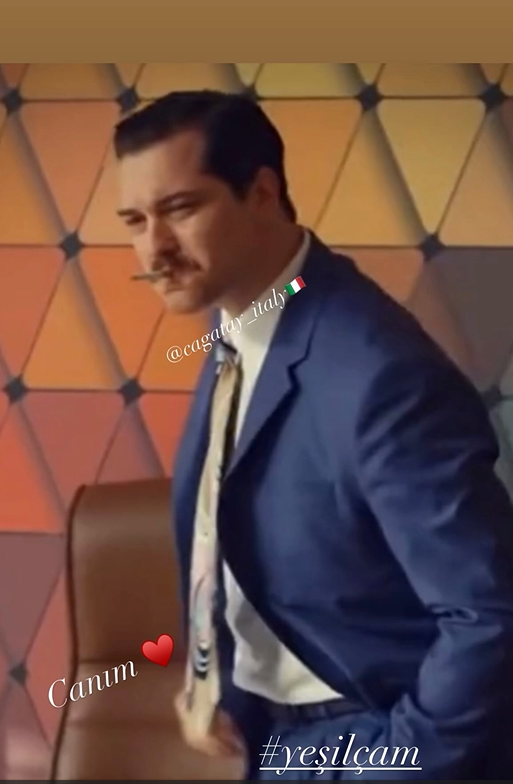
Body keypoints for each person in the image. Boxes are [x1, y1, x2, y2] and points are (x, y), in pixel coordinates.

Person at [113, 89, 513, 780]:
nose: (156, 249)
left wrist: (393, 767)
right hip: (274, 738)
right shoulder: (247, 316)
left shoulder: (377, 373)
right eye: (135, 221)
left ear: (262, 194)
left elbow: (489, 614)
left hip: (366, 742)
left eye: (181, 209)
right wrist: (213, 683)